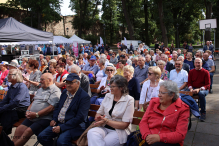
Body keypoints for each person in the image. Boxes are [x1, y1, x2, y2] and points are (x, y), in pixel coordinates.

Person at [38, 73, 90, 145]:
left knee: (61, 141)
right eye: (67, 82)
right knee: (42, 136)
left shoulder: (84, 96)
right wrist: (54, 119)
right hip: (60, 122)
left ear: (78, 83)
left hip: (74, 126)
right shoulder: (65, 92)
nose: (68, 85)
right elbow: (58, 107)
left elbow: (80, 117)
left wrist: (62, 127)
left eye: (71, 83)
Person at [12, 73, 61, 146]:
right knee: (19, 129)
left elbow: (51, 107)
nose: (40, 81)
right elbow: (34, 101)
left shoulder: (55, 91)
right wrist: (28, 111)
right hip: (32, 116)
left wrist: (37, 114)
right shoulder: (40, 89)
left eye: (42, 79)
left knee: (27, 131)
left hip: (44, 118)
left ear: (49, 80)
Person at [87, 75, 135, 146]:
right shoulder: (108, 96)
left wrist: (106, 121)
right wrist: (99, 118)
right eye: (110, 86)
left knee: (102, 143)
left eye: (113, 86)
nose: (110, 88)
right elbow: (99, 113)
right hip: (104, 127)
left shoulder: (129, 100)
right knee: (91, 132)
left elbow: (124, 125)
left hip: (119, 131)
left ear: (121, 88)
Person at [139, 81, 190, 146]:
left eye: (162, 93)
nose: (159, 95)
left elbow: (180, 135)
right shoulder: (153, 102)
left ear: (172, 95)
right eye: (159, 92)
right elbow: (143, 122)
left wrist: (159, 138)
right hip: (149, 137)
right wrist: (147, 135)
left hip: (169, 142)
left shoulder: (182, 109)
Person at [0, 69, 30, 135]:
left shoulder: (22, 87)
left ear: (16, 76)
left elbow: (15, 103)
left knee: (5, 114)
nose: (7, 76)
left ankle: (3, 135)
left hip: (21, 110)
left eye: (9, 75)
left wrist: (2, 109)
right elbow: (5, 101)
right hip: (13, 108)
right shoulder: (12, 86)